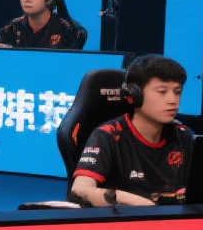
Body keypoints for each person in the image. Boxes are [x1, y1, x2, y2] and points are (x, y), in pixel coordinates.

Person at [70, 55, 193, 207]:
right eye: (162, 92)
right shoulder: (108, 136)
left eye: (177, 92)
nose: (172, 100)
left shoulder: (184, 136)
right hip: (125, 219)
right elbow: (80, 190)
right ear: (135, 95)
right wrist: (142, 204)